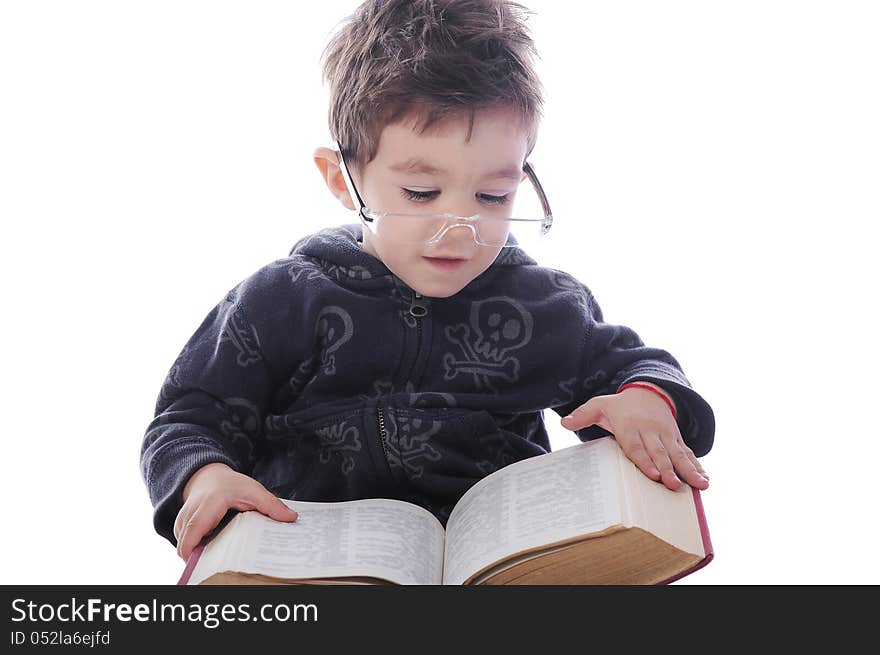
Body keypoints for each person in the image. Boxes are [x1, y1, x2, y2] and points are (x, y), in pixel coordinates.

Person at [141, 0, 715, 563]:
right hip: (316, 580)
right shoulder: (281, 301)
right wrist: (204, 477)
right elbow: (189, 417)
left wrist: (646, 399)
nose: (459, 230)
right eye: (421, 193)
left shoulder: (544, 307)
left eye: (494, 196)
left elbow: (637, 366)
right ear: (344, 180)